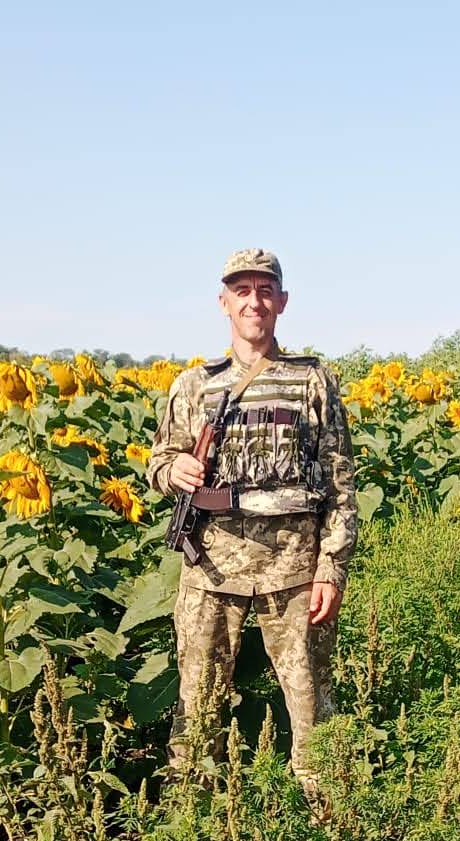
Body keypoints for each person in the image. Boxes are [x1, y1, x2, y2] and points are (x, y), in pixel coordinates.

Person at [146, 248, 357, 805]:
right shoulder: (193, 386)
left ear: (282, 303)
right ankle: (192, 828)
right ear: (224, 303)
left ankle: (330, 825)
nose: (254, 301)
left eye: (265, 290)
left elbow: (339, 482)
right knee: (197, 708)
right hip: (211, 571)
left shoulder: (311, 381)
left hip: (293, 572)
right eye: (242, 291)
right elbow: (157, 461)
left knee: (313, 712)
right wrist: (177, 470)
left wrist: (330, 569)